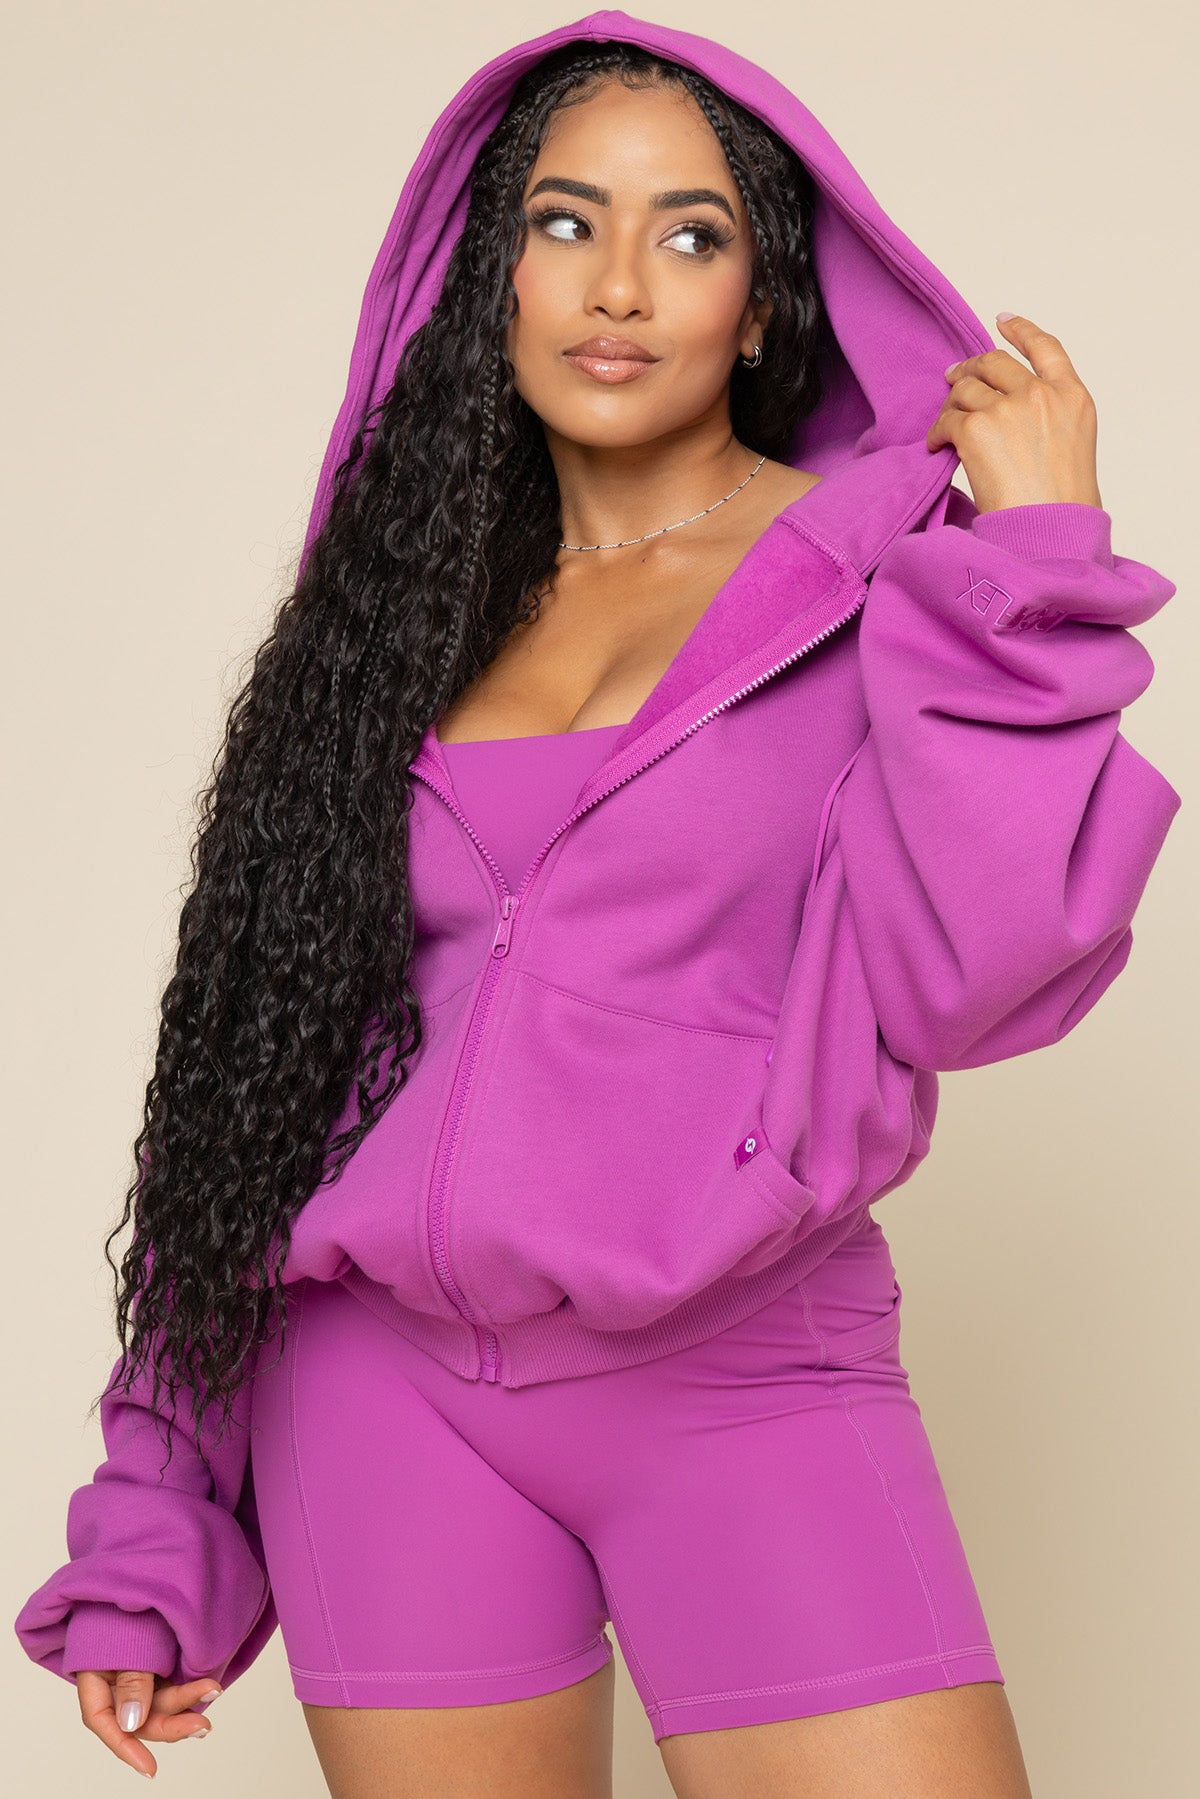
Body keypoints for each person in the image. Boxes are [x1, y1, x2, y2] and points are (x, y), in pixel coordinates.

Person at [14, 12, 1181, 1796]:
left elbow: (988, 974)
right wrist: (156, 1513)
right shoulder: (396, 614)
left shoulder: (882, 584)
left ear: (765, 304)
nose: (618, 285)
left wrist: (1035, 563)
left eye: (690, 235)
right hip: (378, 1397)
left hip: (743, 1369)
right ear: (493, 275)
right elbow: (251, 1085)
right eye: (565, 223)